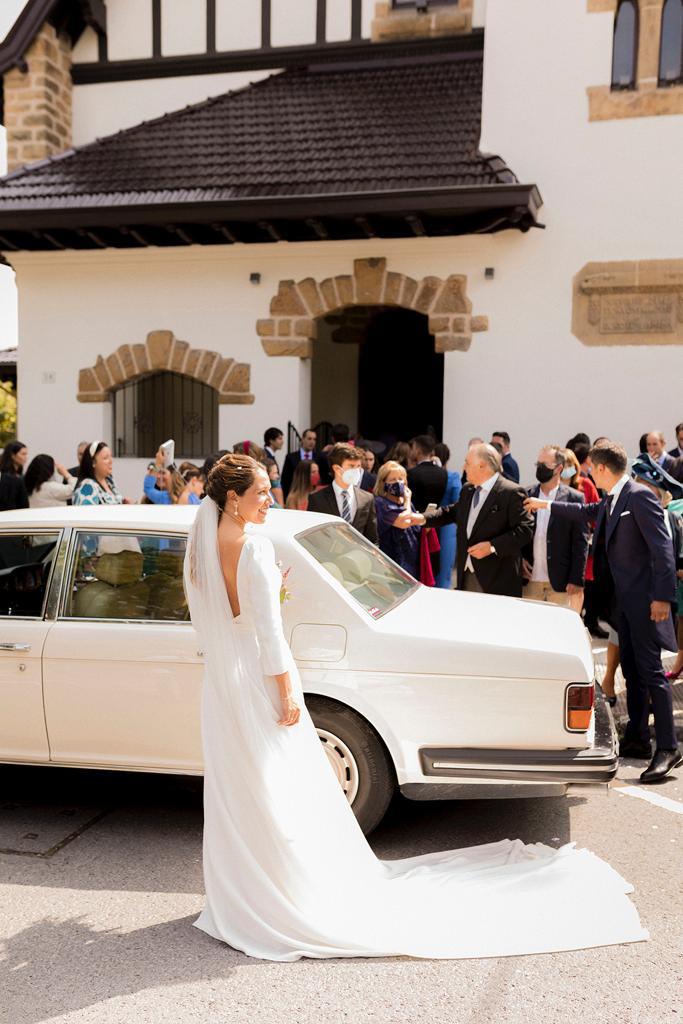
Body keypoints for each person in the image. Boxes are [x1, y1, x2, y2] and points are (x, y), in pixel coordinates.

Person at [182, 453, 647, 961]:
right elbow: (269, 633)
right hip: (264, 679)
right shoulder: (254, 553)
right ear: (232, 498)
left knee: (238, 785)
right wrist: (288, 693)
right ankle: (287, 891)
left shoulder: (199, 549)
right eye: (261, 492)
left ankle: (242, 895)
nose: (270, 498)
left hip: (225, 685)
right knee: (281, 785)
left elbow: (207, 622)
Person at [525, 440, 681, 784]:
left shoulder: (639, 496)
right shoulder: (613, 498)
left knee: (652, 672)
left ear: (600, 469)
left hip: (645, 601)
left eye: (588, 469)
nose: (586, 475)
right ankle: (638, 738)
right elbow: (587, 512)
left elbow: (662, 551)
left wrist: (662, 598)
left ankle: (668, 748)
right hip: (623, 602)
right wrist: (545, 505)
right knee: (634, 670)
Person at [426, 443, 533, 597]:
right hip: (467, 576)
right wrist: (421, 519)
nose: (464, 467)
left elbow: (525, 530)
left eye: (467, 463)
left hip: (497, 581)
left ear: (482, 466)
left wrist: (492, 546)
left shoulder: (511, 492)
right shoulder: (468, 489)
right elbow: (452, 512)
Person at [521, 446, 588, 612]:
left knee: (556, 634)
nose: (540, 468)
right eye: (538, 464)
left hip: (560, 584)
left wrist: (577, 580)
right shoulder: (526, 494)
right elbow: (517, 533)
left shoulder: (574, 498)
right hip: (529, 581)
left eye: (545, 464)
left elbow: (581, 543)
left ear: (559, 468)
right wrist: (519, 560)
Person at [307, 443, 378, 543]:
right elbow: (311, 537)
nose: (357, 471)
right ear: (337, 469)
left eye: (358, 466)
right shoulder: (317, 499)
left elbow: (372, 539)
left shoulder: (367, 498)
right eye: (351, 466)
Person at [373, 461, 425, 577]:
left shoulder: (405, 503)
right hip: (392, 561)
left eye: (401, 479)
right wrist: (407, 500)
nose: (398, 483)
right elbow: (405, 522)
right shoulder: (381, 503)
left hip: (411, 558)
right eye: (392, 479)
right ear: (383, 482)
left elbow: (415, 526)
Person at [434, 442, 462, 589]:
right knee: (445, 569)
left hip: (428, 521)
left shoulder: (428, 475)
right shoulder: (453, 477)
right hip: (447, 526)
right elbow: (458, 500)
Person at [73, 441, 126, 505]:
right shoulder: (87, 487)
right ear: (93, 463)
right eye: (106, 458)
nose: (111, 461)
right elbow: (86, 513)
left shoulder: (109, 481)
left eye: (111, 456)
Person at [281, 428, 329, 498]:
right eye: (309, 439)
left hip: (315, 495)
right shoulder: (291, 457)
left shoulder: (321, 457)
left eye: (314, 439)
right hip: (296, 495)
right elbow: (285, 480)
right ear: (303, 439)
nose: (312, 442)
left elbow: (325, 477)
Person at [407, 435, 447, 513]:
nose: (411, 451)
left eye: (413, 448)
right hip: (436, 519)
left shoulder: (412, 473)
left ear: (418, 450)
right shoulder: (443, 473)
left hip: (415, 519)